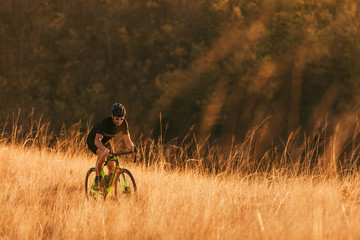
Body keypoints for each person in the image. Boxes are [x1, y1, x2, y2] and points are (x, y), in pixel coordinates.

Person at [87, 103, 138, 190]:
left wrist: (133, 148)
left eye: (121, 119)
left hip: (105, 142)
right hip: (94, 140)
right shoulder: (105, 122)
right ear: (112, 116)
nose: (119, 121)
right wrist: (104, 150)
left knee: (112, 164)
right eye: (117, 119)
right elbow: (97, 140)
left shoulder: (124, 124)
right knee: (102, 154)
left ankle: (108, 185)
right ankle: (98, 179)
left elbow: (128, 141)